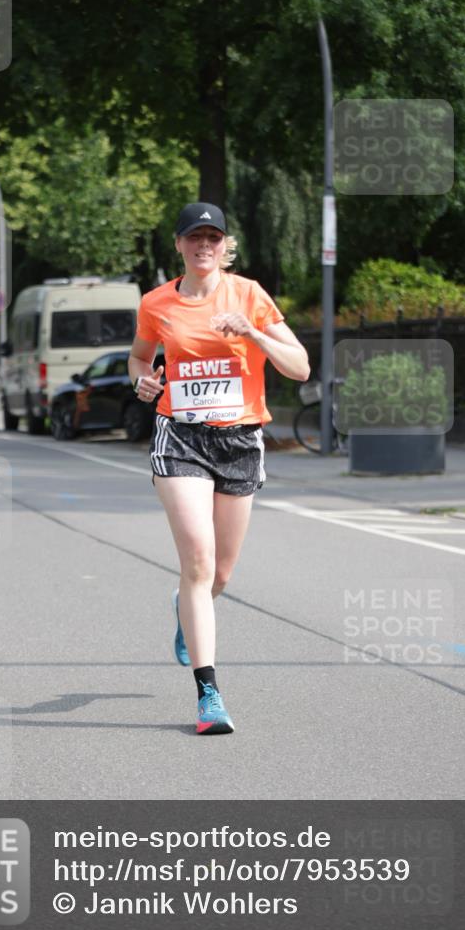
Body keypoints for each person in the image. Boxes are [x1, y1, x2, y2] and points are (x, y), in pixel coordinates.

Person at [128, 202, 310, 736]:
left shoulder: (249, 295)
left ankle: (187, 607)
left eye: (214, 238)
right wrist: (143, 382)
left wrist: (252, 335)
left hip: (239, 440)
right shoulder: (157, 302)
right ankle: (209, 695)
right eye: (194, 238)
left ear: (226, 246)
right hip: (180, 436)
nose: (204, 246)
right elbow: (141, 357)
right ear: (179, 245)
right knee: (200, 561)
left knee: (220, 574)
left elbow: (299, 367)